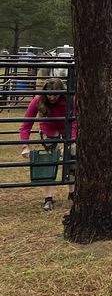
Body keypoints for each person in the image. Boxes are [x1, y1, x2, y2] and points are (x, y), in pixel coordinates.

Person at [19, 78, 76, 211]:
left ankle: (73, 192)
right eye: (49, 94)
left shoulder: (70, 100)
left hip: (68, 128)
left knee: (73, 154)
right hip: (48, 128)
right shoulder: (38, 100)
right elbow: (26, 124)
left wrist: (71, 141)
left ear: (61, 93)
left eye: (55, 95)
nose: (52, 98)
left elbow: (76, 120)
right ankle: (48, 198)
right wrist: (24, 145)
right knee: (50, 157)